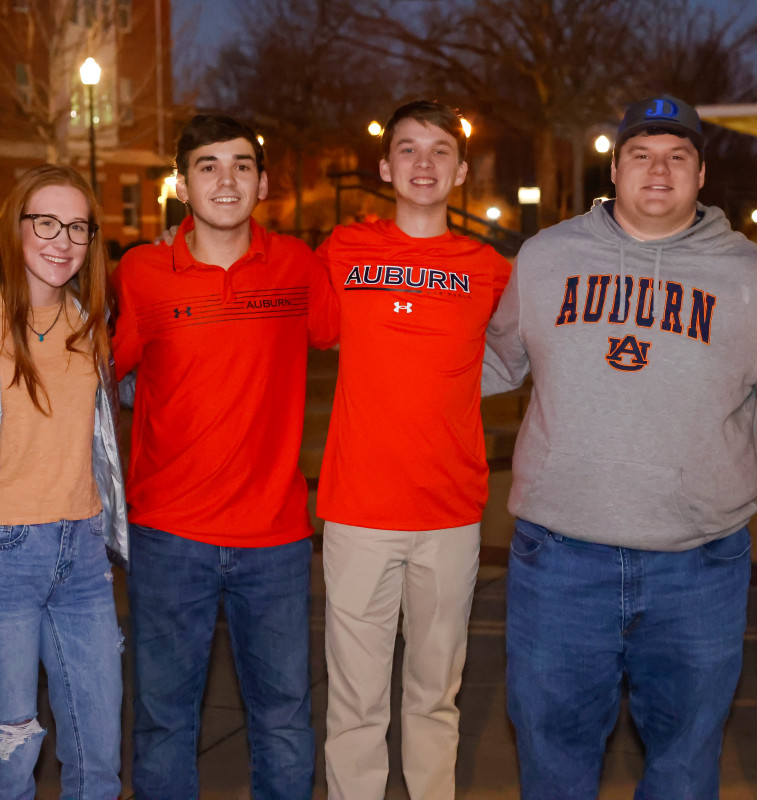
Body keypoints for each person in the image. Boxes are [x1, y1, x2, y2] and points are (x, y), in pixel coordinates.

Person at [482, 94, 757, 799]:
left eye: (677, 156)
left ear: (702, 173)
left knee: (685, 769)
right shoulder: (545, 259)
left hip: (700, 565)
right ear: (616, 166)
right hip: (559, 559)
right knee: (552, 763)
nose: (659, 170)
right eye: (642, 155)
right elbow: (488, 364)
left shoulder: (753, 280)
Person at [112, 114, 337, 800]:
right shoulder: (142, 273)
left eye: (241, 165)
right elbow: (91, 375)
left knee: (285, 721)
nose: (226, 179)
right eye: (207, 165)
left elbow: (361, 338)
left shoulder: (297, 265)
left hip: (274, 540)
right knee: (161, 722)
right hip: (168, 537)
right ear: (181, 185)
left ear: (263, 182)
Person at [316, 100, 512, 800]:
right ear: (384, 166)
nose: (423, 163)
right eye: (408, 149)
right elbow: (289, 330)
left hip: (451, 514)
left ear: (462, 171)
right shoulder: (343, 251)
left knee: (435, 697)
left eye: (438, 151)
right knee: (356, 704)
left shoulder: (488, 268)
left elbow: (525, 355)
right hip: (359, 511)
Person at [0, 164, 128, 798]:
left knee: (99, 756)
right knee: (10, 761)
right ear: (15, 225)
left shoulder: (91, 320)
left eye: (77, 226)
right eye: (46, 222)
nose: (63, 239)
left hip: (82, 554)